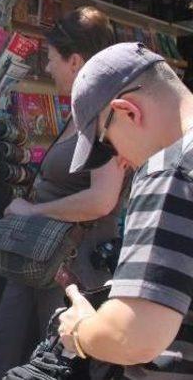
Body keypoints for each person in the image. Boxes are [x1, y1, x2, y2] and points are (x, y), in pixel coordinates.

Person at [0, 7, 127, 379]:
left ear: (75, 61)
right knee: (7, 352)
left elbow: (102, 199)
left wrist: (32, 211)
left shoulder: (103, 114)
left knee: (55, 363)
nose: (48, 68)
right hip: (44, 256)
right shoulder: (85, 112)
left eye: (52, 59)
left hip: (69, 263)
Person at [58, 42, 193, 378]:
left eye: (105, 144)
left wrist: (79, 329)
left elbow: (132, 336)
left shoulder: (170, 169)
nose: (119, 160)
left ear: (129, 111)